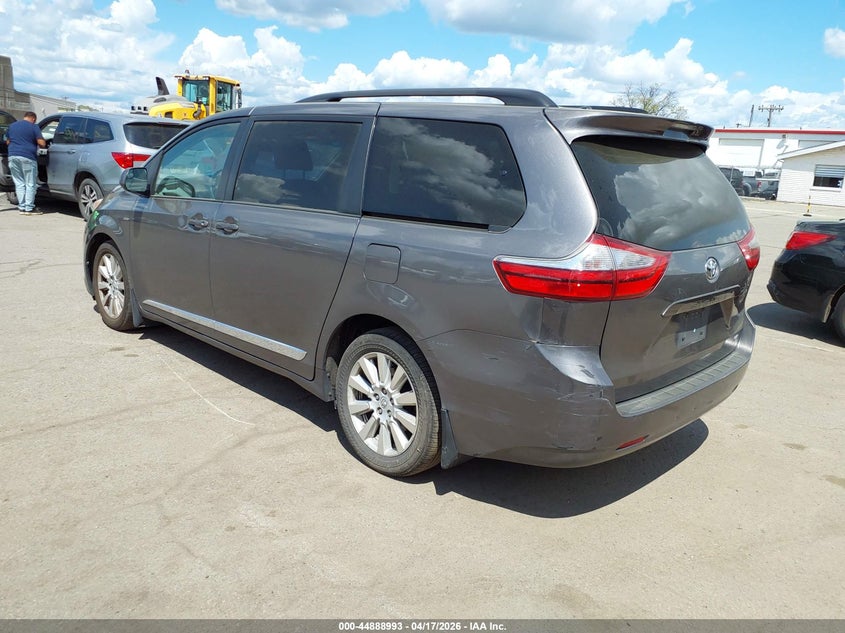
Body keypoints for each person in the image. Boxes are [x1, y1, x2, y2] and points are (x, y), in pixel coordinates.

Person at [5, 111, 46, 215]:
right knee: (30, 183)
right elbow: (41, 143)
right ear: (33, 119)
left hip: (12, 156)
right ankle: (29, 208)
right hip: (28, 157)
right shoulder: (34, 127)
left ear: (25, 117)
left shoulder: (12, 126)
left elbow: (7, 141)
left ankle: (22, 207)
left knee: (19, 183)